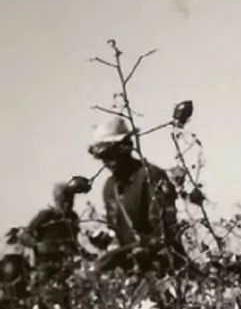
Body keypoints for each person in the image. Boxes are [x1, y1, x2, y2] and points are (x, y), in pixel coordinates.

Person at [87, 116, 184, 271]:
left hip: (164, 269)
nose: (107, 162)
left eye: (111, 154)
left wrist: (120, 254)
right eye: (103, 157)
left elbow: (165, 234)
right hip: (134, 273)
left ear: (126, 148)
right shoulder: (109, 188)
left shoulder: (151, 176)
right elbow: (118, 234)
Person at [23, 180, 84, 270]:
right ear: (57, 200)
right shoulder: (46, 215)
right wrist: (39, 245)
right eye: (63, 201)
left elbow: (77, 238)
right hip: (47, 263)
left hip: (69, 261)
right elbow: (25, 236)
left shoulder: (73, 216)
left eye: (70, 201)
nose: (67, 205)